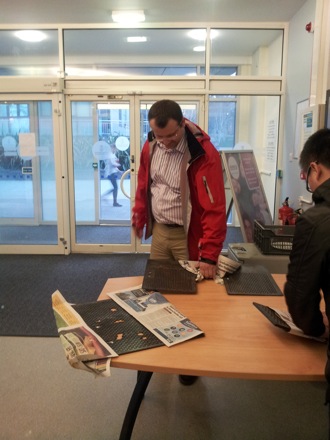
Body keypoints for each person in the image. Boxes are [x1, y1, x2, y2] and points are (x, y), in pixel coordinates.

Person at [132, 99, 227, 280]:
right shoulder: (151, 145)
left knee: (189, 288)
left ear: (183, 123)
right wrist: (139, 214)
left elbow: (214, 208)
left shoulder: (204, 154)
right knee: (158, 284)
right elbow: (144, 184)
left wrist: (209, 253)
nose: (165, 142)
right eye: (159, 135)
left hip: (187, 236)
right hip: (160, 231)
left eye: (171, 135)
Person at [283, 128, 330, 402]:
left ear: (315, 169)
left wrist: (317, 328)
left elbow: (300, 296)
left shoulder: (316, 221)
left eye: (306, 177)